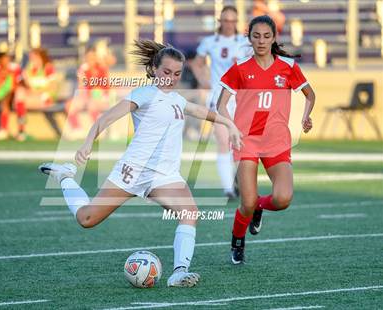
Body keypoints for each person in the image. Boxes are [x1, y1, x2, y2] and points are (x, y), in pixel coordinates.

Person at [38, 39, 242, 287]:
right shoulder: (144, 93)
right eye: (166, 72)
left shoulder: (177, 99)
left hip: (165, 176)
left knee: (189, 213)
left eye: (177, 73)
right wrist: (88, 142)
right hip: (133, 172)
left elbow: (200, 111)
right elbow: (107, 117)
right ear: (155, 69)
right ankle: (65, 176)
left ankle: (179, 272)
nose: (171, 78)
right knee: (87, 219)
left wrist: (228, 123)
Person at [217, 15, 315, 264]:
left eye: (266, 36)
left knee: (283, 199)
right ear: (249, 37)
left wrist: (306, 117)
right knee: (246, 202)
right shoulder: (240, 67)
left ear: (274, 38)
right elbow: (221, 106)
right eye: (256, 36)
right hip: (246, 140)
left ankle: (260, 207)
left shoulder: (288, 67)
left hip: (276, 142)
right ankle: (238, 240)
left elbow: (310, 95)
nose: (261, 41)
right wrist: (231, 127)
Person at [190, 5, 253, 199]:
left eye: (232, 21)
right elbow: (197, 63)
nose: (229, 24)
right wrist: (204, 81)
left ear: (236, 22)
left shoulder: (245, 42)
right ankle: (228, 188)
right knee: (223, 140)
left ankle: (239, 179)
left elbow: (255, 66)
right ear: (220, 22)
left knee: (244, 143)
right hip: (218, 97)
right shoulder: (210, 42)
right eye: (225, 20)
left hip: (241, 98)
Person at [65, 47, 116, 139]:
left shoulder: (102, 67)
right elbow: (82, 87)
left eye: (93, 56)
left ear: (96, 57)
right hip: (87, 97)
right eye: (88, 57)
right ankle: (77, 129)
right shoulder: (83, 69)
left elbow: (106, 87)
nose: (91, 59)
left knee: (92, 104)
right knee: (70, 105)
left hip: (102, 98)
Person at [15, 48, 57, 140]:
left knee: (20, 101)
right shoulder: (29, 70)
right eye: (31, 58)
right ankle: (21, 131)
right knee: (19, 94)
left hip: (45, 98)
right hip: (33, 98)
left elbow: (53, 87)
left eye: (34, 57)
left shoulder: (48, 68)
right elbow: (28, 87)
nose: (32, 60)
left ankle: (21, 130)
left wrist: (36, 92)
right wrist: (25, 79)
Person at [0, 51, 22, 140]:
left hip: (12, 94)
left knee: (8, 100)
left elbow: (18, 85)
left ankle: (7, 129)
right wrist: (0, 76)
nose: (6, 60)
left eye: (7, 57)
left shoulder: (15, 68)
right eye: (4, 57)